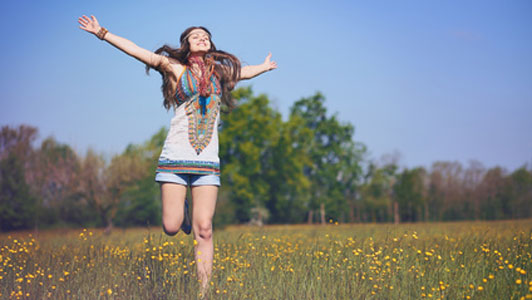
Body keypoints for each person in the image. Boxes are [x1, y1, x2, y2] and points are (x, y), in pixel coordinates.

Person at [77, 15, 277, 294]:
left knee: (205, 229)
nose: (202, 38)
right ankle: (182, 214)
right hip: (176, 157)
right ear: (186, 44)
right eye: (196, 36)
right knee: (171, 227)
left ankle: (203, 292)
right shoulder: (174, 67)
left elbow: (245, 71)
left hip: (207, 161)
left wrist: (265, 67)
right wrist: (102, 33)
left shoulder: (220, 73)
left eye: (206, 35)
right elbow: (137, 51)